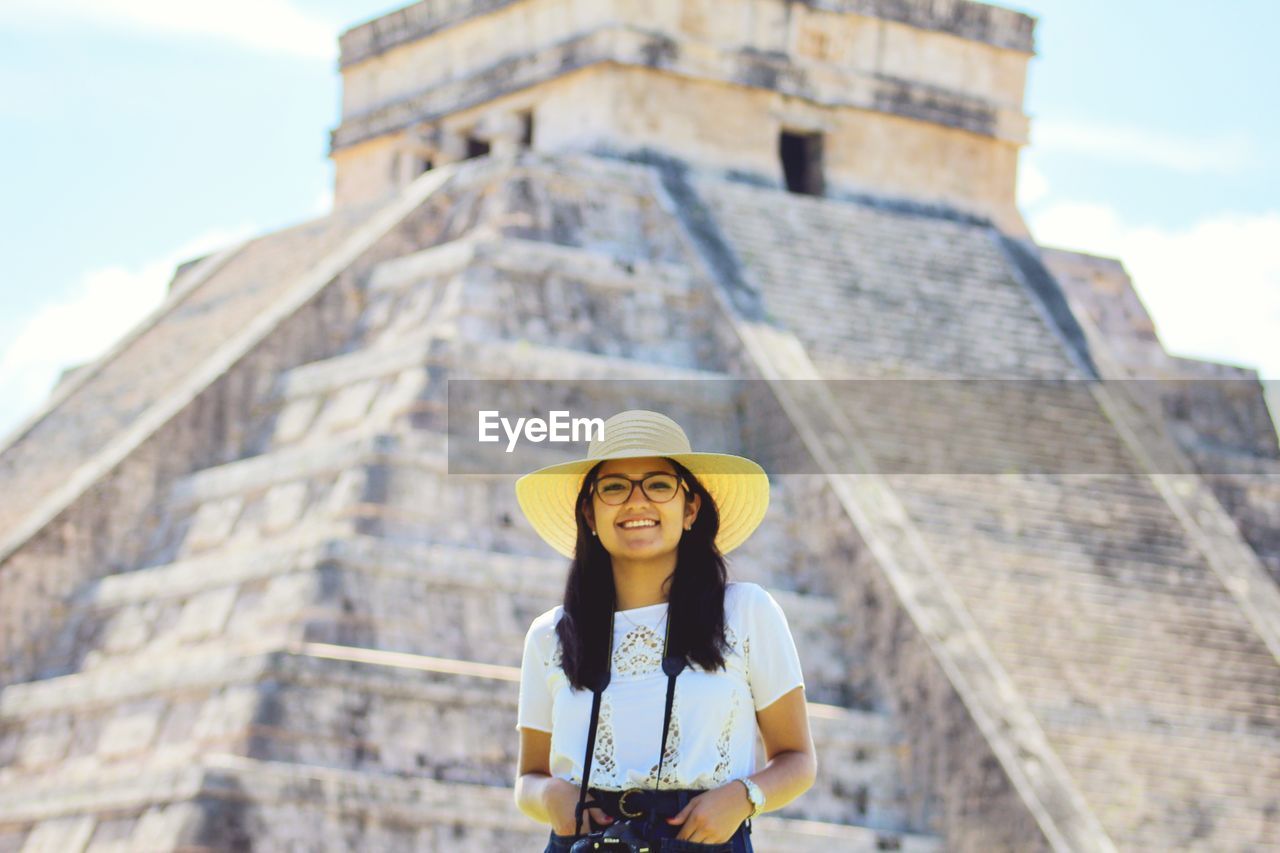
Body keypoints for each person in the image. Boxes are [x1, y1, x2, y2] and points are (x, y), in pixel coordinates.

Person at [512, 409, 817, 852]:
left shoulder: (747, 611)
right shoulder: (549, 635)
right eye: (614, 488)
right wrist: (549, 795)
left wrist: (742, 799)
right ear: (589, 513)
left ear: (690, 507)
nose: (637, 502)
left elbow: (798, 759)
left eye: (658, 485)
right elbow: (528, 778)